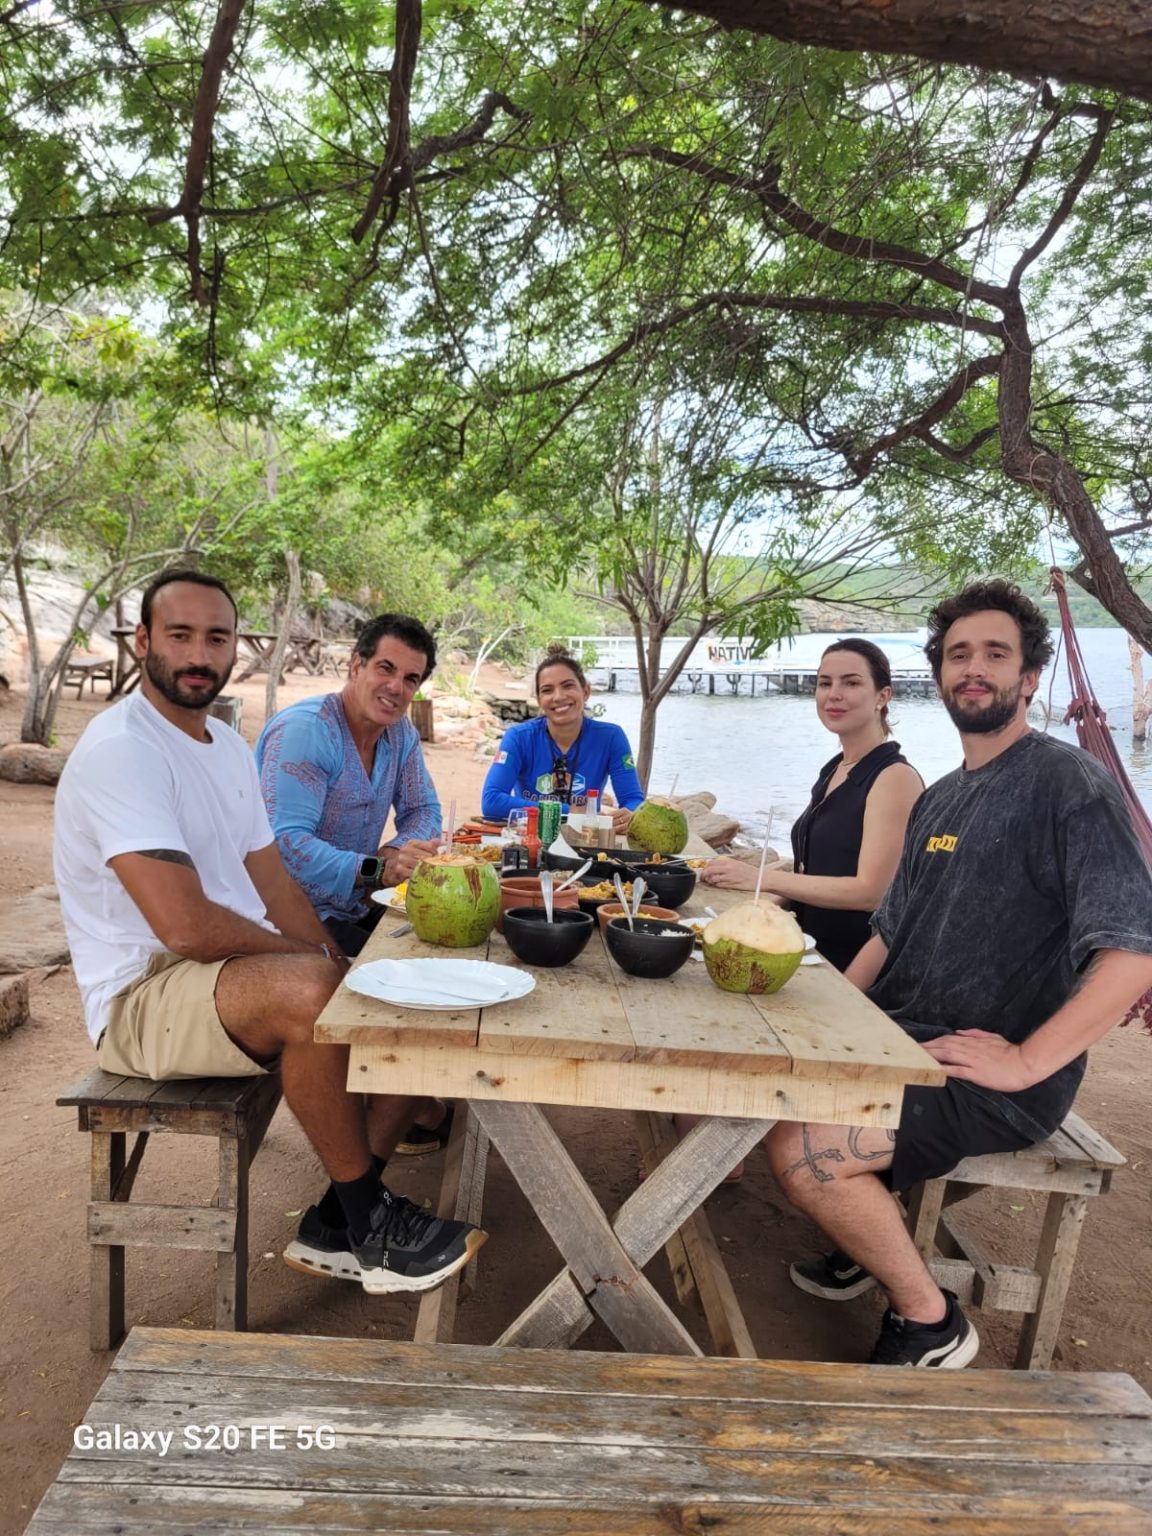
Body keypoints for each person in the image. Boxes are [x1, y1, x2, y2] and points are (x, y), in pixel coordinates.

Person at [53, 570, 485, 1297]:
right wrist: (316, 964)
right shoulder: (122, 750)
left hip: (223, 970)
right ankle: (372, 1222)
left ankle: (339, 1221)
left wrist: (332, 954)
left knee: (395, 991)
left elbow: (273, 880)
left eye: (216, 638)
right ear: (143, 642)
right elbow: (185, 926)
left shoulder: (223, 744)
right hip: (142, 994)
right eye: (181, 635)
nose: (200, 654)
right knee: (315, 991)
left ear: (234, 648)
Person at [768, 579, 1152, 1368]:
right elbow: (889, 930)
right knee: (754, 1081)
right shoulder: (941, 798)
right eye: (958, 654)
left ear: (1030, 676)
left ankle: (930, 1321)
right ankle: (868, 1240)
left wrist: (1026, 1061)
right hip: (904, 1040)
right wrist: (829, 1013)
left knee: (798, 1149)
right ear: (940, 674)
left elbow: (1133, 952)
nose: (974, 669)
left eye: (995, 654)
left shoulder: (1068, 784)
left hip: (991, 1077)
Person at [702, 638, 924, 972]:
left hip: (851, 968)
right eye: (824, 683)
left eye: (851, 683)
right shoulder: (836, 769)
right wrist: (755, 913)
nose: (833, 694)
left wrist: (762, 877)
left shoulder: (895, 778)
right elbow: (815, 871)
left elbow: (872, 892)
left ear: (883, 696)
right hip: (801, 951)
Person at [256, 613, 443, 959]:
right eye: (386, 668)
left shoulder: (400, 734)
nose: (396, 687)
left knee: (442, 947)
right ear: (356, 665)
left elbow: (424, 810)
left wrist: (395, 852)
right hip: (287, 916)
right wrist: (377, 870)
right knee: (402, 968)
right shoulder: (307, 731)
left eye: (410, 679)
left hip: (354, 907)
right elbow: (287, 846)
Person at [481, 646, 644, 834]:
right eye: (547, 690)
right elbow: (491, 802)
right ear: (539, 700)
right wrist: (575, 813)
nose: (558, 697)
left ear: (586, 691)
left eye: (568, 686)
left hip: (586, 840)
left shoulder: (610, 737)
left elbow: (634, 800)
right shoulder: (519, 737)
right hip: (531, 840)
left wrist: (629, 815)